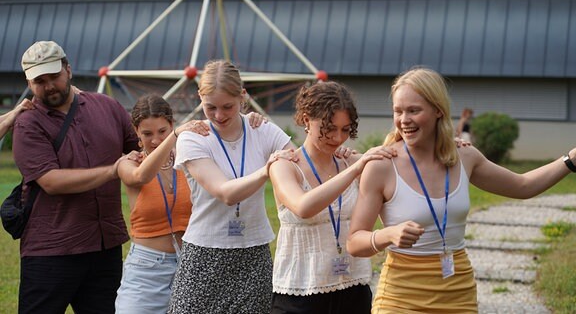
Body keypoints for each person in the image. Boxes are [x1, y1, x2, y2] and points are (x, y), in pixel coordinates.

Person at [346, 67, 576, 313]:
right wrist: (388, 234)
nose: (404, 120)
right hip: (400, 298)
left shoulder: (464, 155)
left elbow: (523, 186)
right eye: (398, 111)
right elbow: (354, 241)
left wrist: (571, 160)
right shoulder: (382, 165)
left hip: (459, 294)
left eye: (414, 110)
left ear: (438, 110)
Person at [12, 40, 140, 313]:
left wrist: (181, 138)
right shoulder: (27, 123)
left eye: (54, 76)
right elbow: (51, 181)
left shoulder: (108, 106)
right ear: (29, 82)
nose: (48, 86)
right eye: (39, 81)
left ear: (68, 69)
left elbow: (141, 151)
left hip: (105, 244)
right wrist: (112, 169)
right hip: (51, 249)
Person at [115, 94, 267, 313]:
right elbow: (140, 177)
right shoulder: (129, 163)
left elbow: (230, 142)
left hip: (191, 262)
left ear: (172, 125)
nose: (156, 140)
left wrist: (252, 121)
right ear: (136, 132)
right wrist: (174, 137)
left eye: (162, 131)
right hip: (146, 268)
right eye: (147, 134)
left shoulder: (189, 158)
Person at [167, 60, 295, 314]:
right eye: (210, 107)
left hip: (253, 252)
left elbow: (301, 164)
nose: (219, 115)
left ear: (243, 97)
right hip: (204, 254)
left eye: (228, 106)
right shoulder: (193, 137)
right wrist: (268, 168)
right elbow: (225, 193)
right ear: (199, 98)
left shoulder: (263, 129)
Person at [268, 81, 397, 314]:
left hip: (352, 287)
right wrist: (355, 170)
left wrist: (449, 143)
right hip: (299, 293)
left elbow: (402, 161)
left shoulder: (352, 161)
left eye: (346, 129)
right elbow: (303, 207)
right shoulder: (284, 165)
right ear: (307, 120)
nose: (338, 137)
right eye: (328, 128)